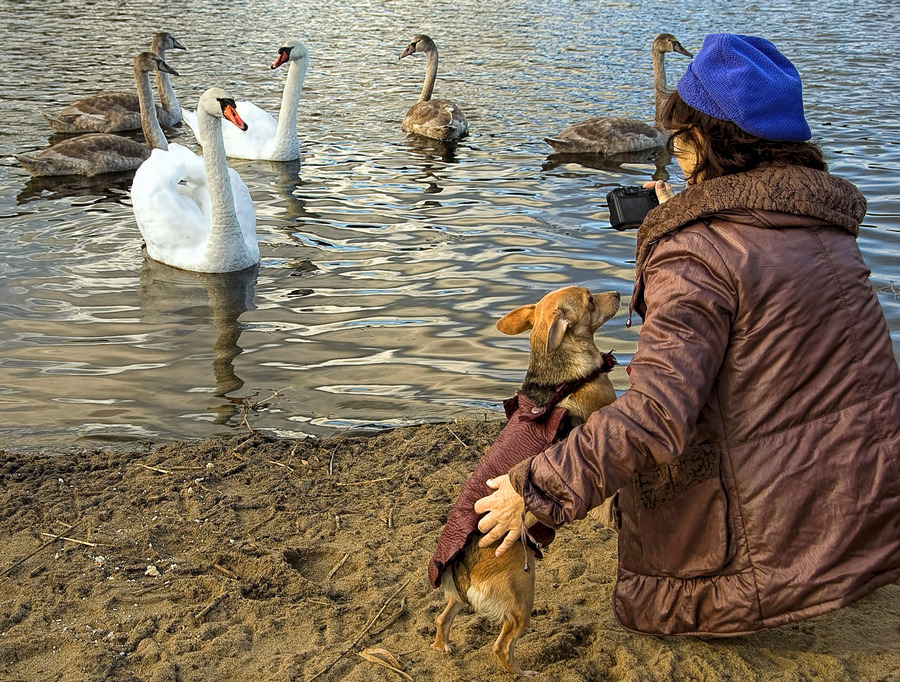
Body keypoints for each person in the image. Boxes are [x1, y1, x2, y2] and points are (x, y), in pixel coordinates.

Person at [474, 33, 900, 635]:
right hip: (862, 530)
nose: (675, 154)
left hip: (759, 569)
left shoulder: (696, 256)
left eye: (679, 141)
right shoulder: (827, 232)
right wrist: (688, 216)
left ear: (703, 144)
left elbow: (656, 416)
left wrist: (536, 489)